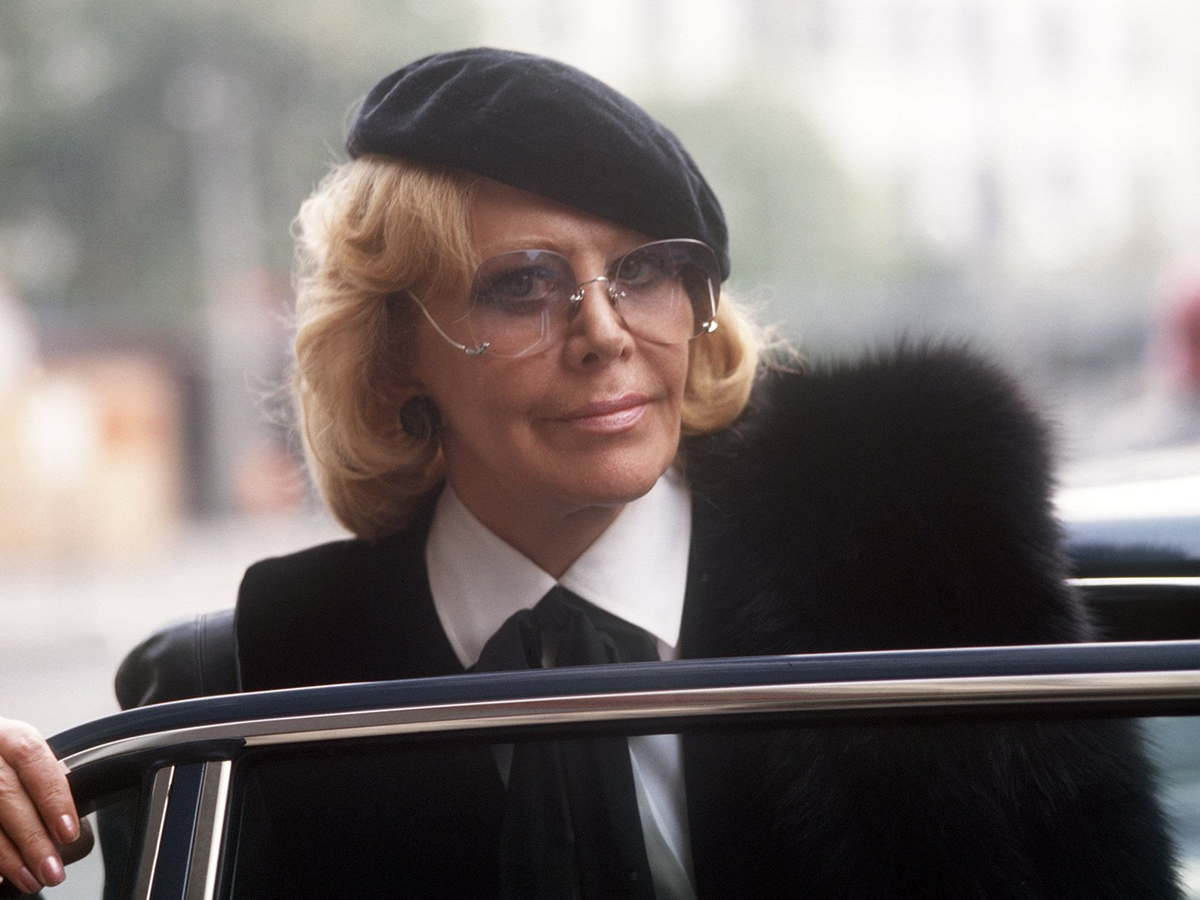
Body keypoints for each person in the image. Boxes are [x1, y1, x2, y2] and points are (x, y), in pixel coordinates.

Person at [0, 47, 1182, 899]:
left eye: (648, 271)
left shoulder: (918, 562)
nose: (605, 334)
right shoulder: (244, 685)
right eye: (523, 285)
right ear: (396, 348)